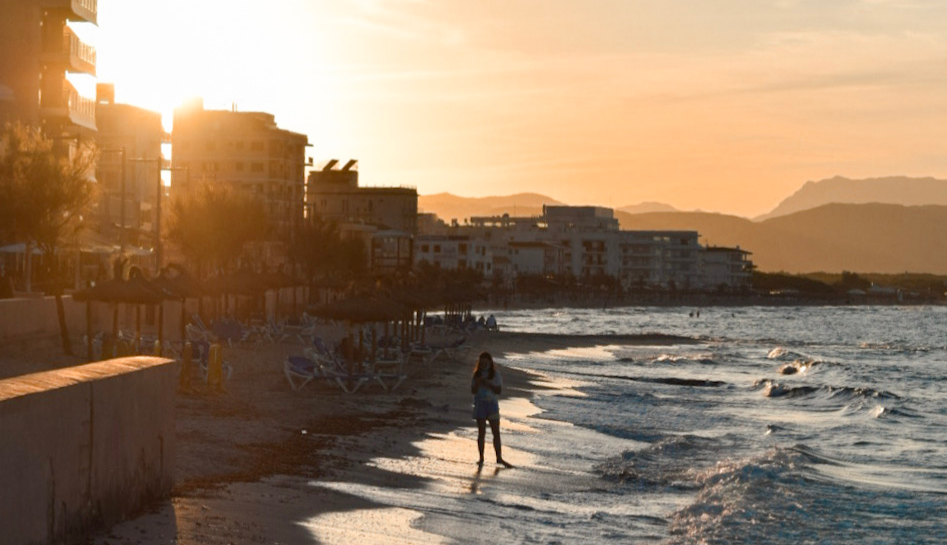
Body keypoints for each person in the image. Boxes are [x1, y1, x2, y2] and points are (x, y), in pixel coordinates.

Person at [471, 352, 513, 468]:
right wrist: (478, 383)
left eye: (485, 362)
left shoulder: (495, 374)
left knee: (496, 432)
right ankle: (481, 458)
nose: (483, 364)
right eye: (482, 362)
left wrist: (488, 384)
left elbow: (498, 391)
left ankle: (499, 457)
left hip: (492, 405)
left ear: (489, 362)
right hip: (480, 405)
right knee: (481, 433)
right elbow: (473, 390)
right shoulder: (477, 374)